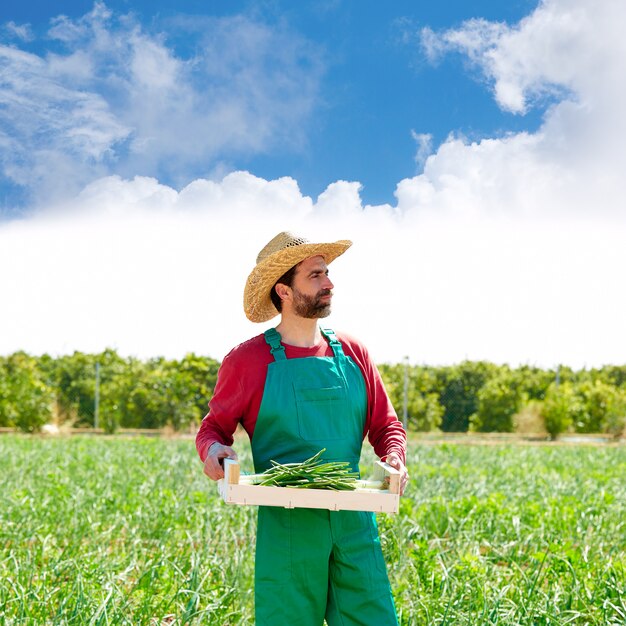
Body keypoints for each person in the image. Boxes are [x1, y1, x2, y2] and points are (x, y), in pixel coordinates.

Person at [196, 231, 409, 626]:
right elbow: (213, 430)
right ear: (284, 291)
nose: (329, 283)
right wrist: (214, 453)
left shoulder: (354, 352)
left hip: (353, 521)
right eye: (315, 275)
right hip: (289, 526)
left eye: (327, 273)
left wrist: (394, 457)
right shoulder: (247, 360)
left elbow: (386, 425)